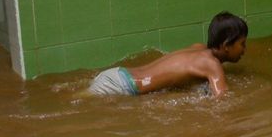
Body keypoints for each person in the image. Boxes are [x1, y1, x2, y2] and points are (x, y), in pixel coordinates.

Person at [89, 12, 247, 98]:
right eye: (242, 44)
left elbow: (178, 75)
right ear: (226, 45)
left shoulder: (198, 48)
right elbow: (223, 101)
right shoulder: (212, 64)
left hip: (118, 75)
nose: (244, 50)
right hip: (120, 87)